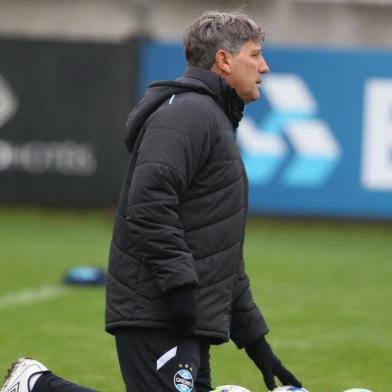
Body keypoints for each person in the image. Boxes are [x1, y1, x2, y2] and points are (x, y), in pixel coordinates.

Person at [1, 10, 304, 392]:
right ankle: (37, 385)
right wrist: (179, 286)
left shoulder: (212, 119)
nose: (265, 66)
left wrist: (254, 338)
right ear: (224, 60)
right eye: (255, 54)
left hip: (185, 314)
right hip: (160, 308)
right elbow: (148, 202)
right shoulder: (190, 115)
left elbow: (218, 247)